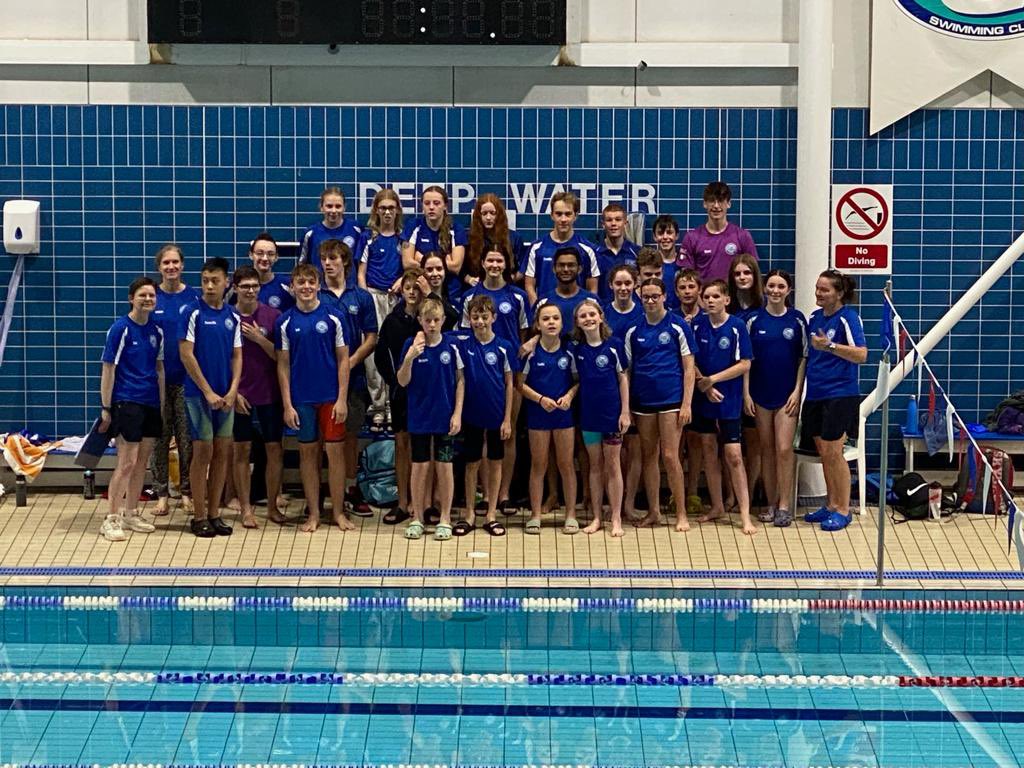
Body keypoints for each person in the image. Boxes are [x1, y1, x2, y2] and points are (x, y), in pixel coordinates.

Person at [276, 263, 352, 533]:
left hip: (330, 397)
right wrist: (287, 404)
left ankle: (339, 512)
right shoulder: (284, 321)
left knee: (335, 453)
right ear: (293, 286)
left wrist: (342, 398)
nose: (306, 287)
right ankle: (314, 513)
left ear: (318, 285)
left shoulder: (334, 317)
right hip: (302, 399)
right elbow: (282, 365)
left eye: (311, 282)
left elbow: (344, 360)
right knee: (308, 454)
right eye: (301, 282)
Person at [460, 247, 529, 512]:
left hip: (510, 371)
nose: (495, 264)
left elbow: (523, 335)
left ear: (506, 264)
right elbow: (464, 336)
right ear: (482, 263)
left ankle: (503, 493)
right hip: (479, 372)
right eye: (490, 259)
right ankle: (485, 495)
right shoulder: (470, 298)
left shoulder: (518, 296)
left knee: (506, 432)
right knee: (481, 436)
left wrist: (517, 360)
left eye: (500, 260)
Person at [624, 278, 695, 532]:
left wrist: (687, 403)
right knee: (648, 455)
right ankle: (654, 511)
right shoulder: (634, 330)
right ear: (640, 298)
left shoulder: (677, 326)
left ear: (665, 296)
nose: (651, 301)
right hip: (643, 400)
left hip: (671, 399)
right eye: (646, 297)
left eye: (655, 296)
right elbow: (628, 371)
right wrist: (628, 406)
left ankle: (681, 513)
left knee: (670, 455)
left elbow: (688, 368)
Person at [98, 277, 165, 541]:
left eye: (151, 296)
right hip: (126, 402)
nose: (148, 300)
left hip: (149, 402)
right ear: (131, 298)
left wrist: (160, 405)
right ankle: (111, 518)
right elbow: (108, 369)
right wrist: (106, 407)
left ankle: (131, 512)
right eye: (142, 296)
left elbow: (159, 370)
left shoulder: (156, 331)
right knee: (126, 462)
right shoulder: (120, 329)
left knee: (141, 464)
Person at [179, 257, 242, 538]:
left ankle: (215, 513)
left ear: (226, 283)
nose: (209, 285)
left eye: (214, 280)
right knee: (202, 452)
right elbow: (186, 354)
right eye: (205, 280)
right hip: (199, 396)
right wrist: (207, 390)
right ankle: (199, 514)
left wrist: (232, 390)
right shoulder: (192, 312)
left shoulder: (232, 316)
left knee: (223, 453)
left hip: (225, 397)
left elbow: (238, 356)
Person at [801, 270, 867, 532]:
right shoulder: (814, 318)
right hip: (816, 393)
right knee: (823, 452)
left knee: (834, 452)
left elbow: (862, 355)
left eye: (824, 290)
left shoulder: (848, 318)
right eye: (817, 288)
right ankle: (830, 504)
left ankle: (843, 508)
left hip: (840, 394)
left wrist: (830, 346)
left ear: (839, 293)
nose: (818, 293)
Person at [690, 279, 757, 536]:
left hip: (728, 398)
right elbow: (690, 360)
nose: (710, 300)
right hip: (704, 398)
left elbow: (745, 364)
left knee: (734, 456)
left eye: (715, 296)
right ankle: (717, 505)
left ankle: (744, 513)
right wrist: (704, 386)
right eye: (706, 296)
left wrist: (713, 380)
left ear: (726, 300)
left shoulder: (737, 326)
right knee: (708, 452)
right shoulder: (697, 325)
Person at [397, 297, 465, 541]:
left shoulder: (452, 346)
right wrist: (410, 357)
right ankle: (417, 517)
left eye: (437, 320)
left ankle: (445, 518)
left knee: (444, 466)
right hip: (420, 418)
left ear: (443, 321)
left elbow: (460, 381)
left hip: (445, 417)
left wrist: (457, 413)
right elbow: (402, 381)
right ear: (420, 321)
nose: (433, 324)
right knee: (420, 467)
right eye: (428, 320)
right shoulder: (410, 345)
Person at [320, 239, 379, 518]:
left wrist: (351, 362)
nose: (328, 263)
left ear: (345, 261)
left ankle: (351, 489)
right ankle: (328, 491)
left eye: (333, 258)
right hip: (320, 379)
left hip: (353, 378)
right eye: (324, 259)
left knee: (350, 435)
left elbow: (372, 337)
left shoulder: (361, 297)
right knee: (323, 437)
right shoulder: (315, 295)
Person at [746, 269, 806, 528]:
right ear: (764, 288)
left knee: (784, 449)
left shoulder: (797, 320)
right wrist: (746, 393)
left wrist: (797, 391)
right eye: (771, 286)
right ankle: (771, 503)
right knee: (766, 450)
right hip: (760, 393)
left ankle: (785, 504)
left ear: (788, 291)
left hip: (786, 395)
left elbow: (804, 357)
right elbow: (745, 361)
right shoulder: (753, 321)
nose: (775, 291)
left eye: (781, 286)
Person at [229, 266, 286, 528]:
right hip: (240, 394)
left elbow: (281, 358)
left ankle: (272, 505)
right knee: (242, 450)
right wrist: (234, 391)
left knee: (274, 450)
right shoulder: (227, 317)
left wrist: (259, 339)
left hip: (269, 393)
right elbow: (221, 359)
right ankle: (245, 508)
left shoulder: (273, 317)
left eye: (254, 286)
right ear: (235, 288)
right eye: (245, 286)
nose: (250, 291)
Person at [454, 295, 515, 537]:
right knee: (472, 464)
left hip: (496, 414)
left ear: (494, 318)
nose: (480, 321)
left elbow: (510, 384)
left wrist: (508, 418)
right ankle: (469, 513)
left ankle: (491, 513)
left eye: (484, 317)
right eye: (475, 317)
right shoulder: (463, 346)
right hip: (471, 414)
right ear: (469, 319)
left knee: (495, 462)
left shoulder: (504, 347)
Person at [374, 268, 428, 526]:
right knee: (402, 445)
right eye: (409, 288)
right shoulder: (393, 321)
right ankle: (403, 502)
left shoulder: (431, 318)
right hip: (401, 393)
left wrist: (431, 296)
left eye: (418, 288)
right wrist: (395, 382)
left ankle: (425, 503)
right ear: (402, 290)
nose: (413, 292)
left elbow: (450, 320)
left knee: (425, 447)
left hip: (428, 394)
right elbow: (381, 356)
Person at [572, 299, 630, 537]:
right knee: (595, 466)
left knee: (613, 465)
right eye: (583, 316)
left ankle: (615, 517)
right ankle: (597, 516)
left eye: (591, 314)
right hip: (589, 415)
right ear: (577, 322)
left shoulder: (614, 346)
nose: (588, 319)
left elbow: (623, 379)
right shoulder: (577, 349)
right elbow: (575, 381)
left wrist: (625, 411)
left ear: (600, 317)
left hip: (611, 414)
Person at [519, 303, 579, 534]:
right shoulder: (531, 352)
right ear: (538, 324)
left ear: (562, 323)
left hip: (564, 415)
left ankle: (571, 514)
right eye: (546, 319)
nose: (551, 322)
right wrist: (540, 399)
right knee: (539, 465)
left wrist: (569, 396)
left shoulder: (569, 350)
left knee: (566, 465)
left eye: (555, 318)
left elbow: (577, 381)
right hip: (538, 415)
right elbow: (519, 384)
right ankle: (535, 515)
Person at [150, 244, 198, 517]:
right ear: (159, 268)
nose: (171, 267)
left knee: (186, 439)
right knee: (159, 437)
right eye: (166, 263)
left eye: (175, 262)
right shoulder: (151, 297)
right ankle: (161, 494)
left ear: (182, 265)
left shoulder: (192, 298)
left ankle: (187, 492)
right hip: (156, 382)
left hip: (186, 380)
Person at [357, 189, 403, 423]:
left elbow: (409, 268)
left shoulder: (403, 238)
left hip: (395, 299)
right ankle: (377, 406)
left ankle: (391, 404)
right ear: (376, 210)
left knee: (393, 351)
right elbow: (361, 272)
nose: (387, 212)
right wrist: (365, 298)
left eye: (391, 208)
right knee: (372, 351)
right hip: (373, 296)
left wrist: (402, 281)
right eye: (382, 208)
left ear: (397, 211)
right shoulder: (368, 237)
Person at [727, 253, 765, 512]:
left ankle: (749, 494)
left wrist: (749, 391)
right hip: (730, 386)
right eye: (738, 273)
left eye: (747, 273)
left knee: (754, 443)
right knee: (729, 448)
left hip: (758, 383)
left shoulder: (763, 309)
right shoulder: (726, 310)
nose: (742, 278)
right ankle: (731, 496)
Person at [522, 191, 599, 305]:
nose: (563, 219)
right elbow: (529, 285)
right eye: (559, 214)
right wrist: (537, 310)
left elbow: (592, 289)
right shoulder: (537, 248)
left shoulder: (587, 250)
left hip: (577, 316)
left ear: (575, 216)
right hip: (547, 318)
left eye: (568, 214)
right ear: (552, 215)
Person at [678, 181, 759, 282]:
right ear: (704, 204)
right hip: (704, 296)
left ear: (729, 204)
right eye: (712, 201)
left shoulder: (742, 236)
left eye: (720, 201)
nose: (716, 206)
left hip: (733, 296)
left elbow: (752, 273)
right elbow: (687, 277)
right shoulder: (691, 238)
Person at [401, 186, 468, 307]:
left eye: (436, 203)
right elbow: (407, 263)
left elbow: (456, 266)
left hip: (451, 293)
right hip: (420, 293)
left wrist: (421, 259)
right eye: (427, 203)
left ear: (445, 206)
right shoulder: (413, 226)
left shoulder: (456, 229)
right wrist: (443, 262)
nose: (431, 207)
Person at [673, 268, 705, 517]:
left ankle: (693, 490)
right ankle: (676, 493)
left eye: (691, 287)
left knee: (695, 443)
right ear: (675, 291)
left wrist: (704, 379)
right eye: (682, 288)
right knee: (676, 443)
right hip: (678, 388)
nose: (687, 292)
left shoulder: (708, 317)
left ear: (699, 290)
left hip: (703, 388)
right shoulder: (670, 318)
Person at [464, 193, 525, 294]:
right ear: (478, 215)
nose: (488, 217)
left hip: (507, 291)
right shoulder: (468, 238)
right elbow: (461, 269)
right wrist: (470, 279)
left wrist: (509, 280)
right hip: (477, 291)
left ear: (499, 215)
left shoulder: (514, 238)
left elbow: (522, 269)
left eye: (492, 213)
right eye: (484, 213)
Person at [299, 186, 362, 278]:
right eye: (329, 206)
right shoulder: (310, 234)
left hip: (349, 288)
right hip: (320, 289)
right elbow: (302, 266)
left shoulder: (356, 230)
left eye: (338, 206)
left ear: (344, 207)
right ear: (321, 207)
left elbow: (362, 262)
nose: (333, 210)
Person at [533, 247, 600, 332]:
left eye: (571, 265)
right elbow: (536, 333)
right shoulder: (543, 302)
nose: (566, 269)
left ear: (579, 269)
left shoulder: (592, 300)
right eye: (561, 265)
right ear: (554, 269)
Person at [594, 203, 640, 303]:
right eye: (609, 220)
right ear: (603, 224)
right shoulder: (594, 253)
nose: (613, 224)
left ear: (625, 223)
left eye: (618, 219)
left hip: (632, 312)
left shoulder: (637, 252)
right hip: (603, 313)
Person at [248, 232, 294, 312]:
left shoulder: (287, 285)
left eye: (270, 254)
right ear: (251, 255)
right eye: (260, 253)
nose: (265, 258)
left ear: (276, 257)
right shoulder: (240, 286)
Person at [418, 252, 461, 330]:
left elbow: (453, 317)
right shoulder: (416, 298)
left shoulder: (450, 298)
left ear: (445, 271)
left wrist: (430, 294)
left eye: (439, 269)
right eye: (429, 270)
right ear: (423, 272)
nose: (435, 273)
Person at [603, 264, 644, 340]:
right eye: (618, 283)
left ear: (635, 284)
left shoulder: (643, 313)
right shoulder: (602, 313)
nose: (623, 288)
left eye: (628, 283)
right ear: (611, 285)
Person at [651, 216, 682, 309]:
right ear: (654, 237)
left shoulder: (684, 262)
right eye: (660, 233)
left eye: (669, 233)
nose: (665, 237)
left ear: (676, 235)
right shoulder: (649, 263)